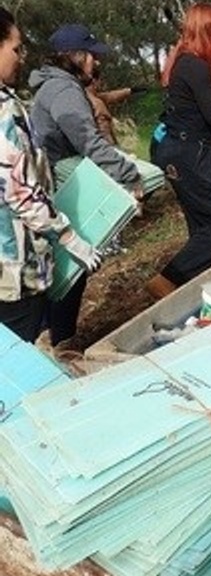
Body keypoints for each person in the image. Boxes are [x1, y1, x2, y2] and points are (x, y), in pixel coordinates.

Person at [28, 24, 144, 344]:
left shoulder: (56, 86)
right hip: (60, 186)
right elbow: (88, 141)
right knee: (73, 266)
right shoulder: (64, 91)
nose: (96, 62)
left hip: (55, 182)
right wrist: (129, 173)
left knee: (63, 268)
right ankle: (60, 341)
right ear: (75, 57)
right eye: (92, 56)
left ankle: (53, 336)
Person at [0, 7, 99, 343]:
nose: (21, 58)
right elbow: (22, 192)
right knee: (23, 363)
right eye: (15, 48)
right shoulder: (5, 110)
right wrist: (69, 236)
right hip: (15, 270)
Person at [147, 2, 211, 300]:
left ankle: (191, 287)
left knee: (200, 225)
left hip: (177, 152)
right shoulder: (195, 65)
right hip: (191, 154)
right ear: (207, 32)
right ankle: (167, 279)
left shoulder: (180, 62)